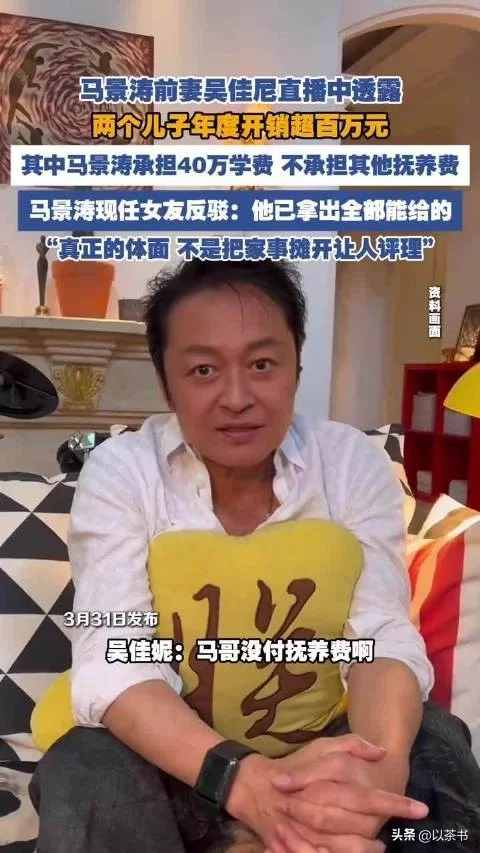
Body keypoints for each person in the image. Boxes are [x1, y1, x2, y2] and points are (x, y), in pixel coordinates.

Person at [29, 259, 480, 853]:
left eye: (262, 364)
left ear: (297, 365)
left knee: (438, 742)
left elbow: (379, 637)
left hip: (326, 748)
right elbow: (115, 656)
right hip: (179, 760)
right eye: (203, 370)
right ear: (166, 382)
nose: (237, 398)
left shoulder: (350, 462)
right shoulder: (122, 472)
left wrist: (375, 784)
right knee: (85, 766)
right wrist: (242, 781)